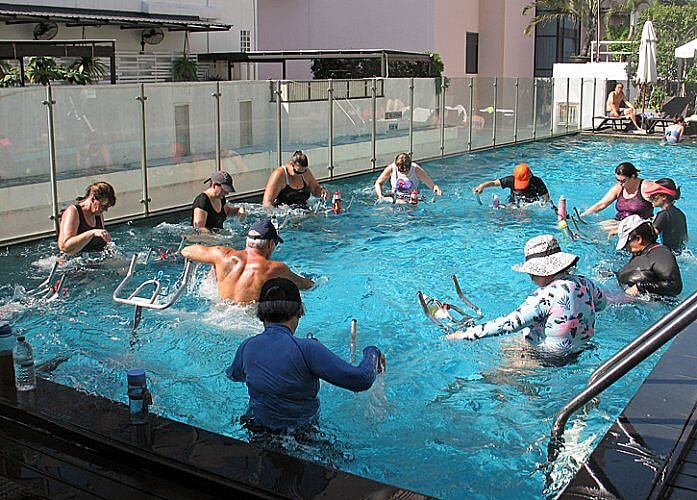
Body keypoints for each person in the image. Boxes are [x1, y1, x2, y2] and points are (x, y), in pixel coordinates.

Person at [226, 277, 384, 431]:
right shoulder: (308, 349)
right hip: (300, 436)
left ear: (261, 313)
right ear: (299, 311)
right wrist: (372, 352)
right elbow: (361, 380)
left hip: (256, 429)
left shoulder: (247, 347)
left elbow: (234, 375)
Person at [447, 235, 606, 353]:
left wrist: (465, 334)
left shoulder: (545, 296)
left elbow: (509, 324)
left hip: (550, 356)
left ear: (541, 271)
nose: (530, 276)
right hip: (581, 349)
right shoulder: (586, 283)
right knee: (512, 342)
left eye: (531, 272)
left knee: (498, 377)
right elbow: (601, 304)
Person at [180, 218, 313, 303]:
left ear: (247, 241)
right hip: (245, 322)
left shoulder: (222, 255)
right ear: (271, 244)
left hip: (217, 313)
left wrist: (214, 265)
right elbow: (305, 285)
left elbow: (187, 251)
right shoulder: (275, 269)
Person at [616, 215, 683, 297]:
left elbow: (675, 286)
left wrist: (641, 287)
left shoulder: (661, 253)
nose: (625, 248)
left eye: (626, 243)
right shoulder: (641, 254)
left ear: (638, 239)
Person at [581, 162, 658, 221]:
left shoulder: (646, 187)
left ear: (633, 176)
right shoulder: (618, 188)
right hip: (620, 222)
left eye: (623, 181)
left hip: (639, 225)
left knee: (607, 229)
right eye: (618, 180)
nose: (620, 184)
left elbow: (663, 201)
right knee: (600, 226)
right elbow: (601, 204)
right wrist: (583, 216)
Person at [58, 181, 116, 255]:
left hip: (94, 259)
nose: (106, 210)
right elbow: (65, 246)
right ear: (93, 199)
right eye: (103, 206)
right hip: (74, 262)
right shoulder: (73, 211)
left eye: (108, 206)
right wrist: (92, 233)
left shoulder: (98, 214)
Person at [262, 151, 328, 208]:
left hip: (303, 212)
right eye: (297, 172)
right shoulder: (279, 174)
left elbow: (315, 190)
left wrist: (322, 191)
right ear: (291, 164)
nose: (300, 174)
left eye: (303, 172)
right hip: (284, 214)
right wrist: (275, 215)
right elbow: (267, 202)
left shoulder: (305, 173)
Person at [374, 152, 443, 202]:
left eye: (406, 170)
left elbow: (432, 186)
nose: (403, 172)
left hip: (411, 198)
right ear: (396, 165)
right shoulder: (391, 168)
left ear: (410, 165)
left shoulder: (416, 169)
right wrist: (380, 196)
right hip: (395, 198)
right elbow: (378, 183)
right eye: (400, 170)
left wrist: (437, 190)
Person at [472, 163, 549, 204]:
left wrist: (543, 205)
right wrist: (482, 186)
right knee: (510, 208)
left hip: (531, 203)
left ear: (530, 175)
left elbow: (546, 198)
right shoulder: (511, 180)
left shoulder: (537, 182)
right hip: (514, 201)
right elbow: (493, 183)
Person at [646, 178, 688, 254]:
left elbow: (649, 238)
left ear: (664, 197)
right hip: (681, 254)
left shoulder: (663, 214)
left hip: (668, 254)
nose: (650, 197)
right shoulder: (681, 214)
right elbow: (685, 238)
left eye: (654, 195)